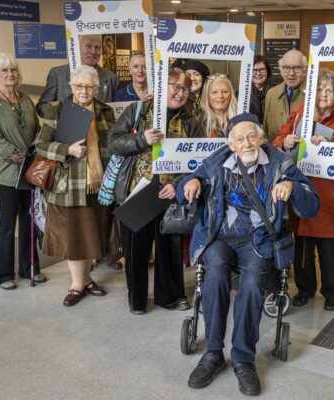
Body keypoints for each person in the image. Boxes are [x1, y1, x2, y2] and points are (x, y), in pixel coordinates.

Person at [179, 113, 319, 396]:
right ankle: (213, 354)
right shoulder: (217, 162)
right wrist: (191, 182)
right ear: (231, 145)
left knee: (253, 283)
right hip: (220, 238)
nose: (246, 143)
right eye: (240, 139)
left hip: (258, 240)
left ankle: (243, 359)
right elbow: (185, 188)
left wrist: (292, 187)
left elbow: (312, 204)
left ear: (262, 138)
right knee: (214, 276)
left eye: (252, 136)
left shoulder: (280, 163)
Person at [107, 67, 200, 314]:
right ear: (162, 87)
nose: (181, 93)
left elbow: (196, 160)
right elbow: (113, 141)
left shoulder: (190, 120)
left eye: (186, 89)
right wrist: (141, 140)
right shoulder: (137, 111)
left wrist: (177, 184)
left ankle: (170, 296)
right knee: (135, 249)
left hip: (170, 193)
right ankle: (137, 300)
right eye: (176, 87)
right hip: (138, 191)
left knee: (170, 246)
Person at [273, 68, 334, 311]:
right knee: (303, 245)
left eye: (329, 90)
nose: (323, 94)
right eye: (319, 89)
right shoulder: (300, 112)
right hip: (302, 190)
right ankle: (305, 289)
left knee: (331, 248)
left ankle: (331, 292)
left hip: (332, 195)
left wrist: (331, 145)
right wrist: (285, 141)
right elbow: (277, 140)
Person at [35, 65, 115, 306]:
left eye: (89, 86)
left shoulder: (105, 111)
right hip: (68, 185)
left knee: (90, 234)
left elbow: (112, 144)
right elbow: (41, 145)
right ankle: (77, 284)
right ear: (71, 86)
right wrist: (67, 149)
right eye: (79, 85)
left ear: (97, 88)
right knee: (73, 237)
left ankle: (86, 279)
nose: (84, 90)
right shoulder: (57, 109)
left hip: (98, 184)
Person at [0, 52, 45, 290]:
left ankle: (29, 269)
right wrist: (22, 156)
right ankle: (4, 275)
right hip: (2, 173)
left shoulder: (25, 99)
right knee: (6, 224)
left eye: (13, 69)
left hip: (28, 172)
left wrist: (36, 151)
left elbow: (37, 130)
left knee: (29, 221)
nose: (10, 74)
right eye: (4, 70)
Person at [36, 35, 119, 117]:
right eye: (88, 46)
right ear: (78, 48)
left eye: (97, 47)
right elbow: (41, 107)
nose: (93, 51)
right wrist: (61, 114)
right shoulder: (57, 74)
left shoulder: (112, 78)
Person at [263, 49, 307, 143]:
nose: (291, 73)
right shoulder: (271, 93)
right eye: (287, 68)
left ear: (304, 70)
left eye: (297, 68)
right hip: (275, 150)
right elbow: (265, 131)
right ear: (281, 71)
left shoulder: (313, 95)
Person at [249, 55, 274, 124]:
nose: (258, 73)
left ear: (267, 71)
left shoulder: (277, 91)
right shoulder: (240, 93)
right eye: (254, 70)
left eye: (262, 69)